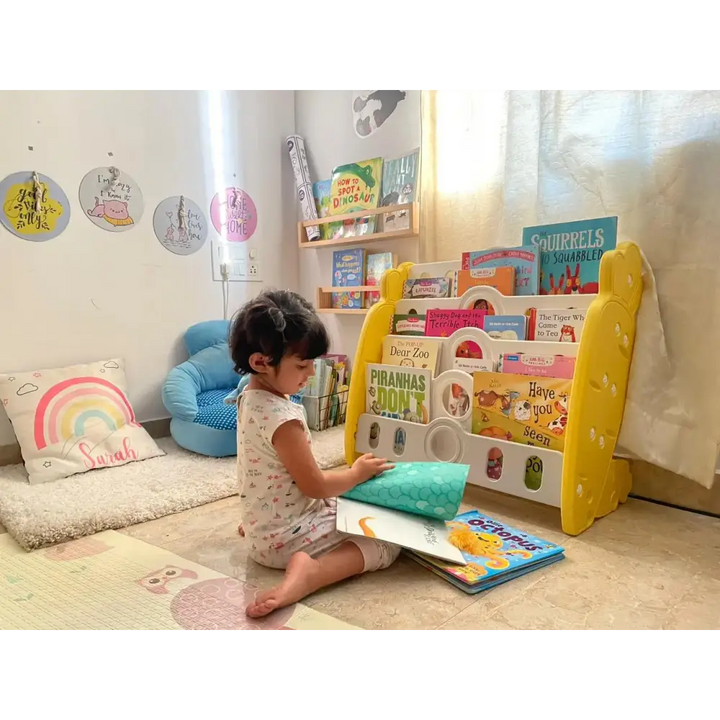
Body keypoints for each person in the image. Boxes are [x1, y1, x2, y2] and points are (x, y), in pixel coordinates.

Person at [229, 289, 400, 618]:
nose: (311, 374)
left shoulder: (249, 399)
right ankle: (310, 575)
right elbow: (316, 487)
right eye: (303, 365)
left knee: (354, 505)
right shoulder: (284, 419)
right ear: (261, 362)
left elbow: (262, 469)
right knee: (387, 540)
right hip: (284, 540)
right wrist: (356, 474)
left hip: (264, 529)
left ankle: (270, 530)